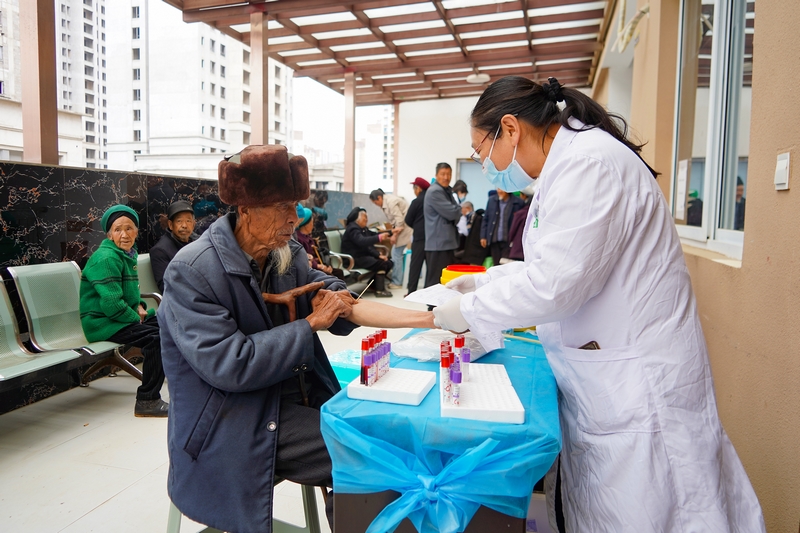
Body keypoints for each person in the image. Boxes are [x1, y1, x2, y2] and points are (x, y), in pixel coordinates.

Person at [434, 76, 765, 532]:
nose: (484, 164)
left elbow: (557, 285)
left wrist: (466, 312)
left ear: (510, 128)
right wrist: (483, 284)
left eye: (480, 151)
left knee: (661, 509)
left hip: (637, 384)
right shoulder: (570, 165)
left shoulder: (589, 163)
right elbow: (558, 264)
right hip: (607, 375)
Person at [158, 145, 433, 533]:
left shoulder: (283, 255)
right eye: (283, 207)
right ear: (246, 209)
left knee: (379, 434)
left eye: (296, 206)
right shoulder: (192, 271)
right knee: (364, 457)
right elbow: (231, 364)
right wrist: (309, 324)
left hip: (284, 399)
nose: (295, 217)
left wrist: (432, 319)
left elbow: (335, 299)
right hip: (231, 418)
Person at [79, 204, 168, 418]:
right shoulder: (107, 258)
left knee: (168, 324)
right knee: (156, 338)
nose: (124, 234)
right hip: (103, 323)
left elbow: (129, 294)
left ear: (137, 232)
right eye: (118, 229)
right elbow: (111, 305)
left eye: (129, 228)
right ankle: (147, 400)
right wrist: (136, 319)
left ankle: (180, 384)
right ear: (109, 234)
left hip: (119, 318)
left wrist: (139, 306)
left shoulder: (126, 255)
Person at [423, 162, 461, 287]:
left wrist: (456, 210)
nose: (446, 177)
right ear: (436, 175)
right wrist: (457, 210)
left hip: (445, 243)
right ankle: (431, 307)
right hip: (438, 244)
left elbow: (455, 211)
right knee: (435, 280)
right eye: (443, 174)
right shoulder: (435, 191)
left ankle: (437, 306)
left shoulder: (446, 190)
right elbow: (453, 213)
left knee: (443, 280)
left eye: (448, 174)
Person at [341, 207, 393, 297]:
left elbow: (373, 236)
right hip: (353, 259)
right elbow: (362, 241)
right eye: (365, 217)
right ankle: (379, 291)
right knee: (382, 264)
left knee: (388, 262)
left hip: (362, 256)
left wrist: (390, 233)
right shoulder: (352, 229)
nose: (367, 219)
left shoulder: (362, 228)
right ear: (358, 219)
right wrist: (379, 238)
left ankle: (373, 285)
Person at [149, 200, 198, 292]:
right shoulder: (160, 251)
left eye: (188, 221)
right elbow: (165, 287)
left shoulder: (198, 244)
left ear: (193, 224)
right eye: (179, 221)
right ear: (170, 225)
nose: (184, 225)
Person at [369, 189, 412, 290]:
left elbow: (399, 220)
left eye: (376, 202)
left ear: (379, 197)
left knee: (396, 254)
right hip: (404, 229)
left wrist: (394, 235)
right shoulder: (388, 201)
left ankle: (397, 282)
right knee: (406, 254)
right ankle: (413, 276)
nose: (377, 205)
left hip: (405, 229)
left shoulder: (391, 202)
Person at [294, 204, 344, 281]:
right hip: (311, 269)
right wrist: (319, 266)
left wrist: (325, 264)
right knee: (333, 278)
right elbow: (303, 259)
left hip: (317, 265)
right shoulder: (299, 239)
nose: (313, 226)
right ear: (307, 225)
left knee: (339, 273)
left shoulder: (308, 237)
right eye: (312, 223)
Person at [480, 188, 524, 265]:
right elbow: (486, 219)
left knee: (506, 265)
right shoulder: (492, 201)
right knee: (496, 265)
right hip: (494, 239)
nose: (499, 191)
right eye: (498, 189)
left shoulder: (518, 202)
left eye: (502, 189)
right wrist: (483, 236)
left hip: (509, 241)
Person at [404, 177, 429, 295]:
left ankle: (411, 292)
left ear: (418, 188)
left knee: (415, 265)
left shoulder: (416, 201)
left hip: (419, 238)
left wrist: (417, 225)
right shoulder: (431, 199)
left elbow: (408, 219)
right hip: (431, 238)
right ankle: (428, 292)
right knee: (430, 267)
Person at [506, 183, 538, 262]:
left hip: (517, 248)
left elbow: (512, 230)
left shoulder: (520, 213)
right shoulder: (536, 213)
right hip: (530, 249)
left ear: (524, 196)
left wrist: (509, 241)